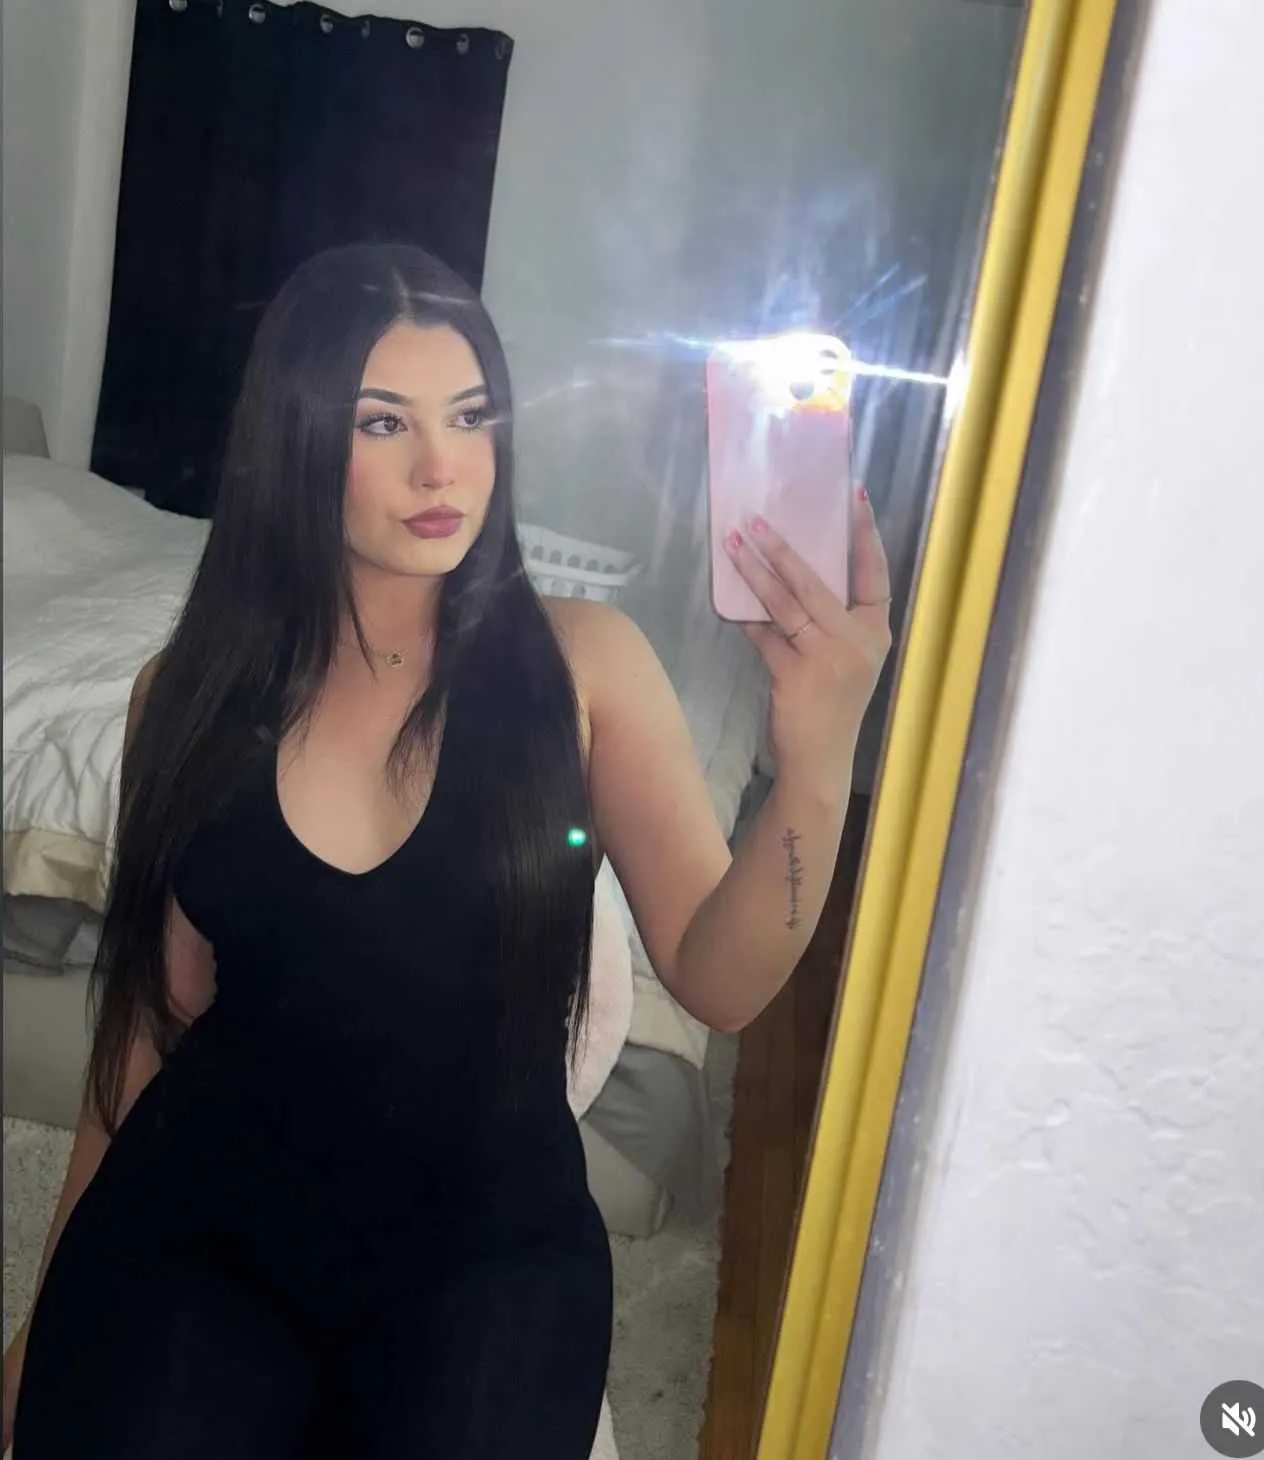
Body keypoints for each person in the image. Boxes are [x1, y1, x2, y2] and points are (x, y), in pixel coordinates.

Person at [1, 243, 891, 1458]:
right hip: (207, 1220)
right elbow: (151, 1023)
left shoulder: (585, 666)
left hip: (484, 1255)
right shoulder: (187, 691)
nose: (443, 466)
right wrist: (46, 1311)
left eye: (472, 416)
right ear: (296, 441)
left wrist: (816, 762)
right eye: (384, 422)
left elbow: (719, 977)